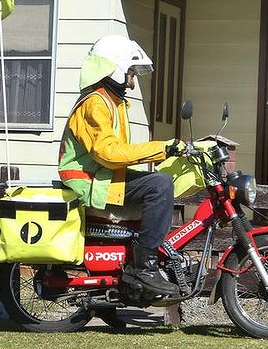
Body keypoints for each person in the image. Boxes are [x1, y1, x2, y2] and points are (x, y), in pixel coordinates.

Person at [58, 35, 183, 297]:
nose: (133, 81)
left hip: (102, 177)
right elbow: (108, 153)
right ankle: (144, 266)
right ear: (115, 68)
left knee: (158, 182)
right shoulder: (95, 103)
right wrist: (161, 148)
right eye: (130, 73)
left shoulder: (111, 102)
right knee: (159, 185)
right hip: (89, 182)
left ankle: (132, 266)